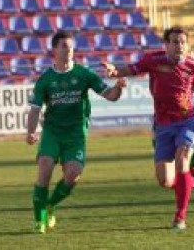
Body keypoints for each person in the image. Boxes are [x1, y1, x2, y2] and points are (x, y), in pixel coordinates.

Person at [102, 27, 194, 230]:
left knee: (182, 162)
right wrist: (115, 71)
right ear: (166, 45)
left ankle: (180, 218)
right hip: (163, 125)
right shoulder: (154, 60)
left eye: (182, 42)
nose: (179, 46)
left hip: (187, 121)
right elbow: (132, 68)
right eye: (174, 42)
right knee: (165, 181)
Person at [27, 31, 126, 234]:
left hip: (75, 134)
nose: (69, 50)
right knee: (44, 171)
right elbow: (35, 109)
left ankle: (51, 204)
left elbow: (111, 96)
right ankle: (39, 220)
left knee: (73, 175)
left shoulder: (84, 74)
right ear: (54, 50)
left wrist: (119, 86)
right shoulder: (45, 80)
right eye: (64, 46)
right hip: (52, 133)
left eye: (71, 46)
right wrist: (30, 132)